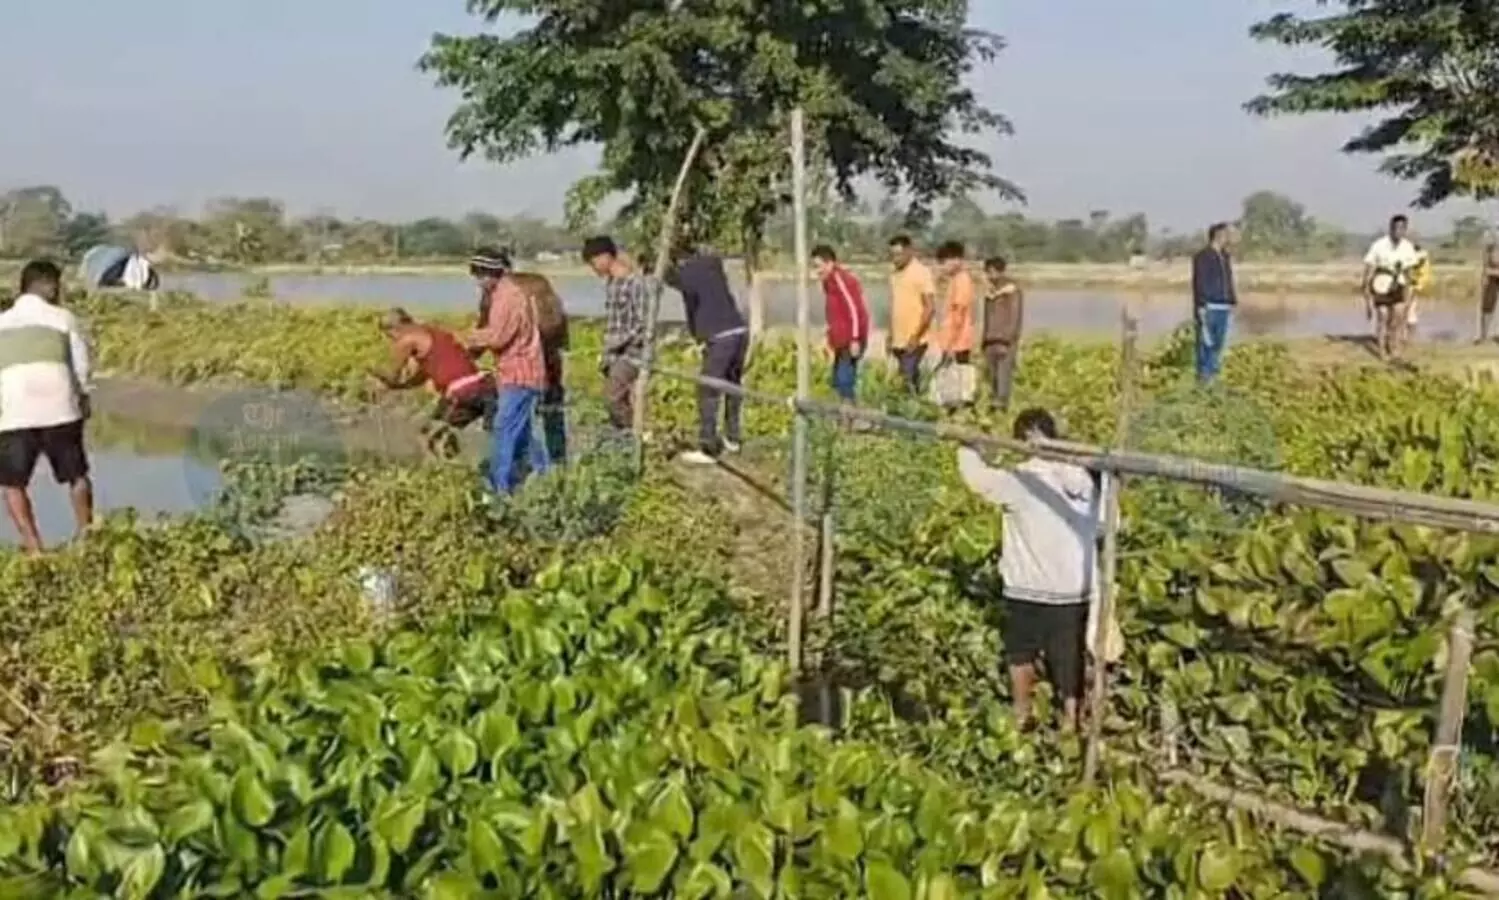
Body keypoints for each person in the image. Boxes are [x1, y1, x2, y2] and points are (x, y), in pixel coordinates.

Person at [956, 408, 1102, 729]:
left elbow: (977, 479)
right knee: (1069, 656)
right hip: (1074, 588)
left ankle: (1022, 713)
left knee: (1020, 652)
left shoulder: (1021, 480)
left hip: (1029, 587)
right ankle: (1069, 721)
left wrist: (967, 447)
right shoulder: (1085, 478)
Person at [0, 260, 94, 553]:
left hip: (14, 410)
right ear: (48, 285)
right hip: (60, 406)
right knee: (76, 476)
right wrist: (83, 398)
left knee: (12, 483)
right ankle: (86, 537)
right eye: (57, 285)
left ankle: (34, 548)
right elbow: (81, 366)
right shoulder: (64, 318)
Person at [471, 248, 567, 469]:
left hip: (518, 368)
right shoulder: (539, 285)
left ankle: (506, 480)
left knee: (506, 425)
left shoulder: (500, 295)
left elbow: (494, 334)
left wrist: (470, 345)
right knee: (547, 416)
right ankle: (556, 468)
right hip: (546, 361)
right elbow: (558, 328)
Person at [368, 307, 495, 457]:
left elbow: (392, 376)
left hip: (462, 391)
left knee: (428, 435)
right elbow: (420, 378)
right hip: (485, 386)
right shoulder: (431, 334)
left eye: (390, 336)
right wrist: (400, 386)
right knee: (444, 431)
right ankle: (452, 465)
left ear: (393, 329)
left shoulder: (407, 339)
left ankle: (441, 471)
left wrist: (374, 373)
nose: (393, 341)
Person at [666, 244, 748, 464]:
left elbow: (675, 280)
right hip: (739, 330)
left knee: (708, 389)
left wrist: (660, 268)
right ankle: (733, 438)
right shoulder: (712, 265)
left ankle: (709, 446)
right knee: (732, 385)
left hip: (721, 336)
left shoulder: (690, 272)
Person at [582, 235, 648, 432]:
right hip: (615, 354)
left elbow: (643, 323)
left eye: (593, 263)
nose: (593, 269)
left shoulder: (634, 283)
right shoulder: (612, 284)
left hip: (633, 352)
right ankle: (625, 439)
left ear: (605, 257)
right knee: (619, 399)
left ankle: (636, 435)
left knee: (612, 397)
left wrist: (616, 343)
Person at [812, 244, 870, 403]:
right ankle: (844, 420)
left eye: (819, 267)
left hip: (850, 339)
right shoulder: (828, 283)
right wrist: (828, 335)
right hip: (840, 340)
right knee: (837, 381)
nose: (817, 271)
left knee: (845, 381)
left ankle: (850, 420)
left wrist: (855, 338)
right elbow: (835, 313)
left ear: (830, 263)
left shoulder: (841, 280)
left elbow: (854, 310)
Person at [1362, 214, 1420, 361]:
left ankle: (1394, 347)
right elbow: (1369, 268)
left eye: (1402, 228)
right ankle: (1382, 351)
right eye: (1395, 228)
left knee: (1398, 317)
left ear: (1405, 230)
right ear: (1390, 228)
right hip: (1381, 285)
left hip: (1398, 285)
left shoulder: (1407, 247)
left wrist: (1408, 294)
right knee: (1383, 317)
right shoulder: (1378, 246)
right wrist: (1367, 293)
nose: (1398, 231)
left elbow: (1409, 273)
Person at [887, 235, 936, 394]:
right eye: (892, 255)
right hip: (898, 339)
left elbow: (929, 307)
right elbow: (895, 306)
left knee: (906, 378)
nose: (895, 259)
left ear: (909, 252)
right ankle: (916, 408)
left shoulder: (921, 272)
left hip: (915, 338)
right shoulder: (894, 275)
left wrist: (916, 335)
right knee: (909, 378)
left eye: (899, 255)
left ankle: (910, 411)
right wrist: (890, 335)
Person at [934, 240, 977, 409]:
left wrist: (950, 344)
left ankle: (960, 410)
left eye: (944, 263)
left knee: (959, 380)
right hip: (953, 340)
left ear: (955, 260)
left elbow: (958, 314)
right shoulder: (955, 280)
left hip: (958, 341)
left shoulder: (962, 281)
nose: (943, 268)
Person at [1190, 223, 1237, 382]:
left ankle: (1214, 379)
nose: (1229, 238)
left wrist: (1232, 301)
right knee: (1206, 344)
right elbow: (1199, 282)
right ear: (1218, 235)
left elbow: (1229, 280)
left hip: (1223, 307)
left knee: (1218, 345)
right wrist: (1201, 305)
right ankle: (1204, 380)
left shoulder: (1225, 256)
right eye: (1226, 234)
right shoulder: (1202, 256)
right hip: (1209, 307)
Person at [980, 257, 1023, 412]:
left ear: (1000, 272)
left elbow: (1015, 319)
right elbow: (986, 319)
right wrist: (983, 341)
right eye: (988, 272)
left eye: (992, 272)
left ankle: (1002, 411)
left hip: (1004, 343)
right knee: (992, 380)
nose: (990, 276)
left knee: (1003, 380)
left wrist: (1008, 340)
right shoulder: (990, 292)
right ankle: (993, 411)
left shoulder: (1012, 291)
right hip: (990, 342)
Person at [1406, 243, 1431, 334]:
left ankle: (1409, 330)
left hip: (1416, 283)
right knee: (1411, 308)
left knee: (1410, 307)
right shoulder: (1422, 257)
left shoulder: (1421, 257)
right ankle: (1410, 330)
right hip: (1416, 283)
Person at [1480, 233, 1499, 344]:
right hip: (1492, 280)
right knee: (1487, 307)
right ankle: (1484, 336)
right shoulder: (1490, 248)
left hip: (1493, 275)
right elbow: (1486, 267)